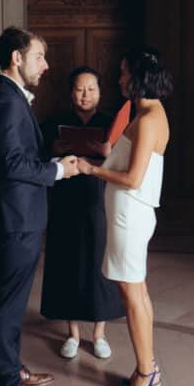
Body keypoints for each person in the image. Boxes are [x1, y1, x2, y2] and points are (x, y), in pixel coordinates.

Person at [0, 26, 79, 386]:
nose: (47, 65)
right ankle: (4, 384)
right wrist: (58, 173)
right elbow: (11, 164)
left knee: (15, 299)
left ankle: (11, 368)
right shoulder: (5, 100)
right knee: (10, 300)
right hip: (17, 216)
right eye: (39, 56)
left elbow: (21, 156)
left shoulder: (12, 96)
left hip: (22, 212)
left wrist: (54, 162)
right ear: (17, 58)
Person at [77, 46, 172, 386]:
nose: (119, 79)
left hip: (130, 214)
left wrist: (91, 169)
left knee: (132, 294)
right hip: (128, 213)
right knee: (138, 291)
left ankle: (146, 373)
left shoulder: (149, 119)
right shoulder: (146, 112)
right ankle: (148, 366)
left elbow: (133, 179)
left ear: (138, 77)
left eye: (123, 73)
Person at [40, 67, 124, 360]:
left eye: (91, 89)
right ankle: (73, 333)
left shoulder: (111, 122)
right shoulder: (55, 123)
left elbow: (125, 161)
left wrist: (106, 149)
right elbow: (40, 158)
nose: (85, 95)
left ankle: (99, 334)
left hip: (99, 199)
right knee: (68, 264)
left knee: (99, 263)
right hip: (65, 200)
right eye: (79, 89)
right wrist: (55, 147)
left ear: (100, 93)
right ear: (70, 92)